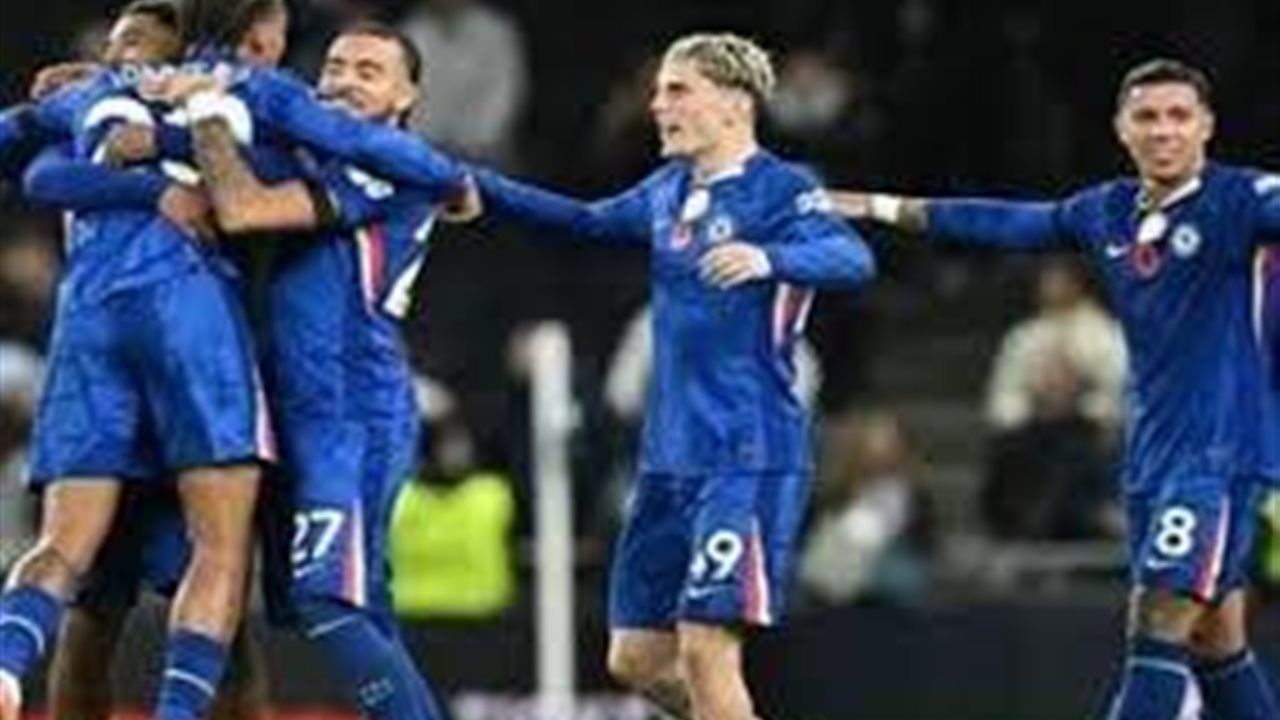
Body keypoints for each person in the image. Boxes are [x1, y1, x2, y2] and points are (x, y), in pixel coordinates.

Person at [830, 58, 1279, 719]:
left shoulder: (1244, 199)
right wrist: (880, 206)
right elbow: (1005, 223)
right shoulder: (1107, 211)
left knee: (1158, 621)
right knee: (1216, 642)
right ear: (1122, 128)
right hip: (1153, 455)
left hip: (1221, 456)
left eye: (1180, 116)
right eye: (1148, 117)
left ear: (1206, 126)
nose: (1164, 131)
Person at [471, 32, 876, 720]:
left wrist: (770, 258)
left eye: (677, 90)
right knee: (633, 659)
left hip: (746, 453)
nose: (657, 105)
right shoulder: (668, 190)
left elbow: (852, 257)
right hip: (667, 459)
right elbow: (583, 219)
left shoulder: (783, 187)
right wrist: (477, 185)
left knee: (705, 648)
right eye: (659, 91)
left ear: (734, 104)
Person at [134, 19, 467, 720]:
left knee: (327, 601)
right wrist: (118, 89)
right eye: (336, 66)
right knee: (348, 608)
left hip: (352, 411)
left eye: (369, 72)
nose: (345, 80)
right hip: (286, 406)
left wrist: (207, 107)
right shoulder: (306, 149)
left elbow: (243, 209)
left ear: (407, 97)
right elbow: (167, 142)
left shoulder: (386, 164)